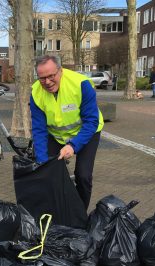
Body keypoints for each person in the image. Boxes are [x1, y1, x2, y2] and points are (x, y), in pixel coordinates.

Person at [30, 55, 104, 210]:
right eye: (42, 78)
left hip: (86, 132)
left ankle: (80, 214)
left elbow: (91, 121)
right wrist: (43, 163)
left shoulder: (80, 85)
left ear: (60, 71)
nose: (47, 82)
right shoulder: (36, 93)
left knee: (83, 175)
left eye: (51, 76)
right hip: (55, 135)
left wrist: (73, 146)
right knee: (48, 172)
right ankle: (59, 210)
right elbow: (39, 130)